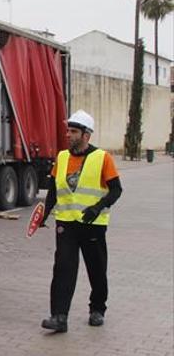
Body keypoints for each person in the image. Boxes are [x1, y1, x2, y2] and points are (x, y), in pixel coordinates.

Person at [40, 110, 124, 333]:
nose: (68, 135)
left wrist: (97, 208)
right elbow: (54, 190)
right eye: (68, 130)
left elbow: (116, 190)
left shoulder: (102, 158)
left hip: (92, 225)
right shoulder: (62, 157)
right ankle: (59, 317)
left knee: (96, 269)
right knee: (63, 269)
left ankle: (97, 309)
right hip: (66, 223)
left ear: (86, 135)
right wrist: (44, 213)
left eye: (74, 131)